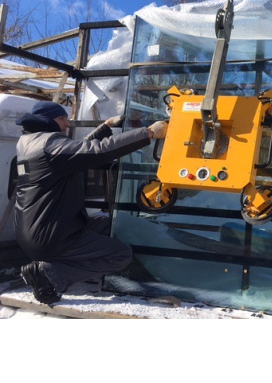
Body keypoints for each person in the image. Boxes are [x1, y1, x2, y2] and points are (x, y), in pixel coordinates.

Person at [14, 100, 167, 305]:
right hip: (51, 235)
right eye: (62, 118)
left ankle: (57, 266)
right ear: (47, 120)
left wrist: (105, 128)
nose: (67, 123)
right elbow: (96, 151)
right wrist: (147, 133)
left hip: (41, 229)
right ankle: (51, 275)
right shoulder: (48, 145)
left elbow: (77, 152)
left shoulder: (33, 143)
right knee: (120, 255)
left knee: (109, 225)